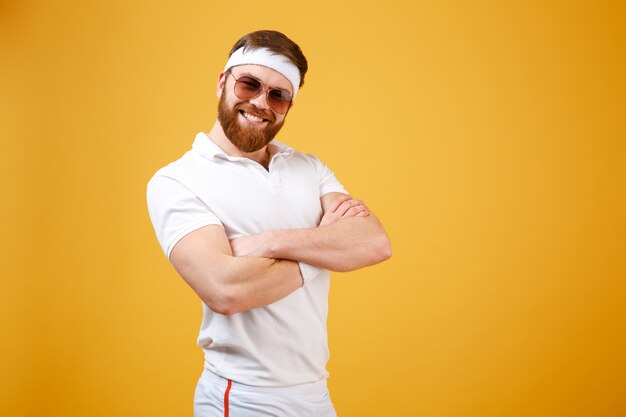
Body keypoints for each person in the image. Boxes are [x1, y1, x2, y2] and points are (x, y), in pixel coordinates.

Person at [146, 30, 391, 417]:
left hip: (315, 394)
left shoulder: (309, 167)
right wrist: (326, 247)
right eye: (250, 84)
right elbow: (225, 290)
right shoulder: (177, 181)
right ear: (223, 82)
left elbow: (374, 243)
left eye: (278, 94)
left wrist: (271, 242)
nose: (261, 102)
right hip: (243, 398)